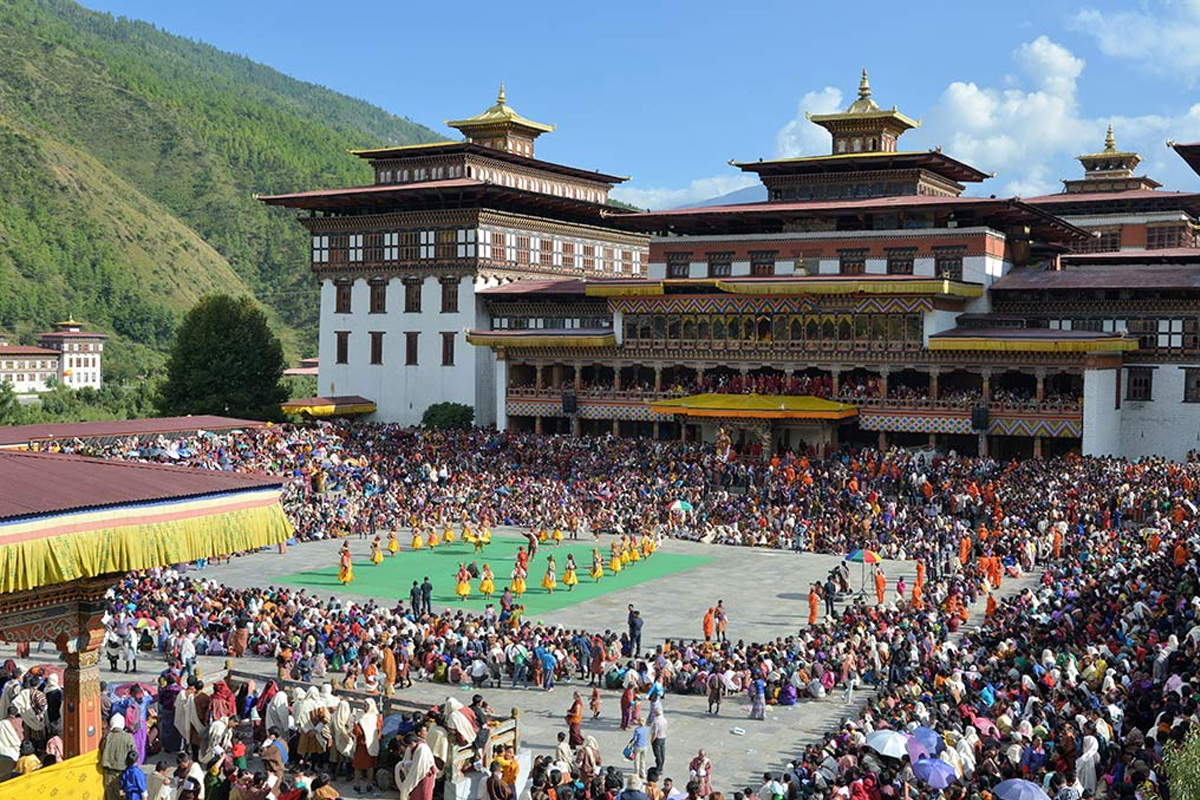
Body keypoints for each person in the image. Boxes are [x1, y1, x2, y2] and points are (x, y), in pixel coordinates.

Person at [101, 714, 136, 800]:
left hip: (110, 773)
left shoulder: (107, 736)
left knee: (112, 796)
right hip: (125, 772)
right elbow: (134, 754)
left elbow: (101, 750)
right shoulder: (129, 737)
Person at [629, 715, 649, 780]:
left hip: (638, 746)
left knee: (636, 761)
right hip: (644, 746)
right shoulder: (645, 729)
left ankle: (636, 773)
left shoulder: (637, 730)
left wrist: (631, 745)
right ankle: (643, 773)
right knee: (643, 760)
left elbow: (635, 739)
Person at [649, 704, 667, 774]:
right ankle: (661, 767)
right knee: (662, 753)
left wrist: (652, 740)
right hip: (663, 737)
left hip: (657, 738)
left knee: (657, 754)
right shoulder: (664, 720)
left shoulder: (656, 722)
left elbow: (655, 733)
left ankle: (658, 767)